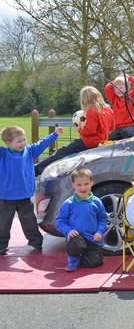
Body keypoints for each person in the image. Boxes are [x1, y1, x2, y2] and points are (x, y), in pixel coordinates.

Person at [0, 125, 63, 255]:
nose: (23, 143)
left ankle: (36, 242)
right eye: (19, 141)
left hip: (24, 196)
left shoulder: (30, 151)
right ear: (8, 143)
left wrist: (55, 134)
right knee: (3, 223)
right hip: (6, 197)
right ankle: (1, 245)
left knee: (29, 221)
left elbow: (42, 143)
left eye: (24, 139)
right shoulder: (3, 154)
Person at [35, 86, 115, 176]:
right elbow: (112, 127)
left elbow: (90, 131)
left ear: (85, 99)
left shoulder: (92, 111)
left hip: (89, 142)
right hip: (102, 142)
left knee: (62, 152)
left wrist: (79, 129)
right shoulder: (109, 109)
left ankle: (36, 170)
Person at [55, 167, 107, 271]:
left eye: (86, 184)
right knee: (76, 242)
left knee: (94, 263)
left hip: (92, 239)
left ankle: (84, 257)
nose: (83, 188)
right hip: (76, 238)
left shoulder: (97, 202)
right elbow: (60, 222)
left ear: (92, 183)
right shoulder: (68, 204)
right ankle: (73, 260)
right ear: (73, 185)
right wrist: (68, 231)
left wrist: (99, 232)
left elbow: (103, 219)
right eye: (79, 185)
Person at [105, 74, 134, 140]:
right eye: (116, 88)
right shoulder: (114, 99)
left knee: (126, 132)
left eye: (121, 88)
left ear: (128, 88)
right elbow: (107, 88)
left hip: (132, 125)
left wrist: (128, 77)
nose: (118, 90)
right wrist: (117, 80)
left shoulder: (133, 96)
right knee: (110, 137)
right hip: (118, 127)